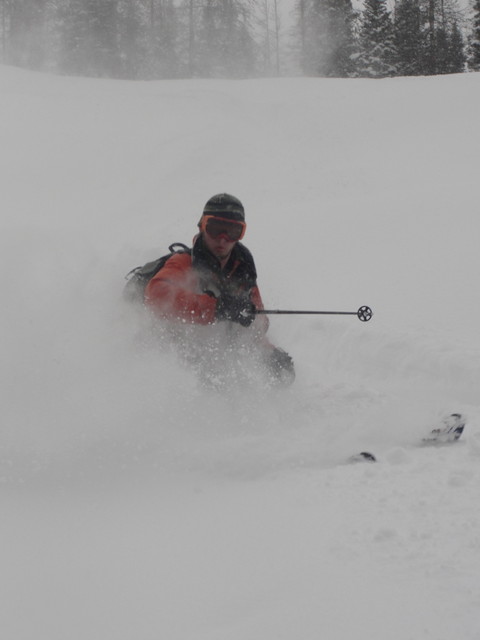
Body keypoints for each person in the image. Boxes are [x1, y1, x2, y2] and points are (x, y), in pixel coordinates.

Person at [144, 193, 295, 386]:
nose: (223, 239)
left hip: (208, 363)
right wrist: (216, 308)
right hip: (167, 358)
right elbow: (156, 295)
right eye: (215, 229)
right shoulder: (184, 263)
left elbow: (254, 324)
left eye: (233, 231)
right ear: (202, 226)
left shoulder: (243, 274)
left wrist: (270, 353)